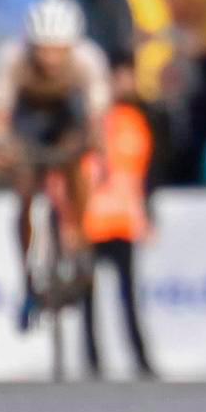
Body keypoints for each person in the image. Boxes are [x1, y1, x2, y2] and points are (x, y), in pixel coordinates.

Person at [0, 0, 112, 330]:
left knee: (77, 160)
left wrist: (99, 152)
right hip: (28, 120)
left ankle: (78, 236)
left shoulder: (89, 60)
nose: (51, 59)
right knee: (24, 188)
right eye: (43, 49)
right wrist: (2, 146)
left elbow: (97, 120)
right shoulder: (12, 58)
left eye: (58, 50)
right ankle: (28, 270)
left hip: (67, 118)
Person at [81, 60, 155, 379]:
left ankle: (140, 359)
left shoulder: (133, 120)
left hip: (123, 221)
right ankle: (92, 361)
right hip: (89, 221)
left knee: (128, 296)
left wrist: (146, 215)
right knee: (88, 298)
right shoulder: (86, 122)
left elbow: (141, 173)